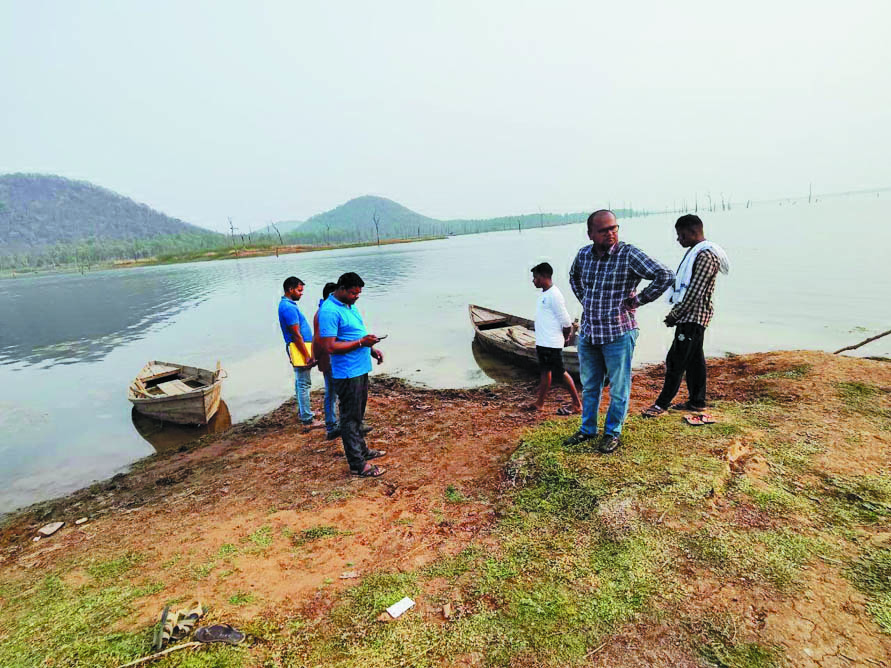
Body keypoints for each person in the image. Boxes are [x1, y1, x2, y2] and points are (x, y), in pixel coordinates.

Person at [564, 210, 674, 453]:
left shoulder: (628, 255)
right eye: (603, 230)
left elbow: (664, 275)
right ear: (591, 234)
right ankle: (587, 430)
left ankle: (612, 433)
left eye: (614, 228)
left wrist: (638, 300)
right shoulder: (584, 255)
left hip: (619, 334)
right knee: (590, 385)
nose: (610, 233)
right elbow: (574, 277)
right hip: (590, 333)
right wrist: (587, 299)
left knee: (618, 387)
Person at [642, 214, 730, 417]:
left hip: (694, 317)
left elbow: (694, 292)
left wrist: (675, 315)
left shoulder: (706, 256)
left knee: (675, 360)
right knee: (694, 361)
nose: (678, 240)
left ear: (692, 232)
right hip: (690, 316)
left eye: (681, 235)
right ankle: (697, 402)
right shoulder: (696, 253)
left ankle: (661, 405)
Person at [317, 272, 386, 477]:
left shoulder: (349, 306)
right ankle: (358, 464)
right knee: (349, 418)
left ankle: (362, 451)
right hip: (347, 372)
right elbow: (330, 346)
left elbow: (355, 334)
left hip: (360, 367)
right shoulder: (329, 311)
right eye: (354, 293)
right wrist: (360, 343)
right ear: (342, 289)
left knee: (358, 416)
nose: (357, 296)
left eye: (359, 293)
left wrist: (370, 349)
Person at [526, 262, 582, 415]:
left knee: (560, 372)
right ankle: (540, 403)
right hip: (543, 342)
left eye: (535, 277)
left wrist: (566, 337)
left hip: (551, 343)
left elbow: (565, 321)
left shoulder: (554, 295)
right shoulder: (544, 294)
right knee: (545, 371)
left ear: (544, 277)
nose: (533, 281)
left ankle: (577, 403)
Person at [278, 276, 322, 430]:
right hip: (299, 349)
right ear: (290, 289)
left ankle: (305, 412)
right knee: (303, 383)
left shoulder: (288, 305)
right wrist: (307, 354)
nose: (301, 294)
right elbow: (296, 334)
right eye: (299, 290)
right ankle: (307, 420)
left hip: (299, 348)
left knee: (300, 382)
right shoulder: (288, 307)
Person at [314, 282, 340, 439]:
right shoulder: (324, 313)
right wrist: (318, 358)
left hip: (326, 358)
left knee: (332, 392)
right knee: (333, 393)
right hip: (329, 359)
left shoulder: (321, 311)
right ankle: (331, 426)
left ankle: (332, 425)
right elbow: (318, 339)